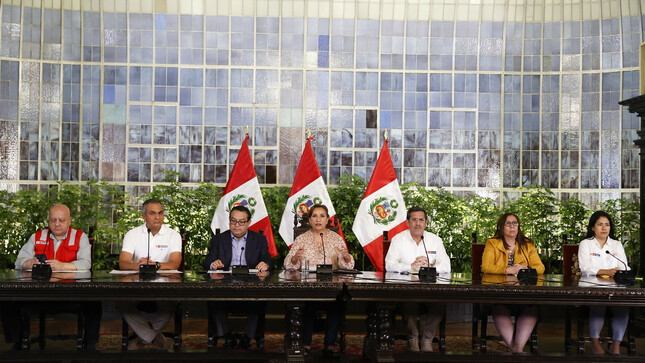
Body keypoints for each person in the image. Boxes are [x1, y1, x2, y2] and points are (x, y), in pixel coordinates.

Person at [1, 204, 101, 351]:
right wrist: (29, 263)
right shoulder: (37, 236)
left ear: (69, 220)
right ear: (48, 220)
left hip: (70, 293)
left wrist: (61, 266)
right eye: (53, 220)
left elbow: (86, 264)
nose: (57, 224)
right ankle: (17, 342)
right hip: (39, 294)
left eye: (61, 220)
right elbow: (19, 262)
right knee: (8, 298)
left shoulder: (80, 237)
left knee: (94, 300)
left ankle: (90, 344)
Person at [283, 204, 354, 358]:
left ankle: (329, 345)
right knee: (307, 306)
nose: (318, 219)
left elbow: (347, 265)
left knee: (338, 305)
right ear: (309, 219)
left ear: (327, 219)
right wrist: (295, 258)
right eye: (315, 216)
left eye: (322, 216)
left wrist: (346, 257)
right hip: (308, 286)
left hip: (332, 286)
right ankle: (306, 344)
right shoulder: (302, 238)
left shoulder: (336, 238)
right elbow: (288, 265)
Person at [203, 205, 272, 349]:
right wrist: (212, 264)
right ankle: (227, 336)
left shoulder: (259, 239)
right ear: (229, 221)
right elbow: (207, 260)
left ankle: (248, 337)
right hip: (224, 286)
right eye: (233, 221)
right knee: (214, 301)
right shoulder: (219, 239)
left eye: (241, 222)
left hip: (251, 286)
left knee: (258, 301)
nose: (236, 225)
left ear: (249, 222)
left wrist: (265, 264)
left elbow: (268, 259)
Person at [117, 198, 182, 351]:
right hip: (137, 287)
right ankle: (153, 336)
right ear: (143, 216)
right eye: (152, 213)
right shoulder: (132, 234)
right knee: (121, 302)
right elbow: (123, 263)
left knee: (172, 302)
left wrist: (156, 265)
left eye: (160, 213)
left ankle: (144, 336)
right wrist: (138, 265)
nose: (157, 217)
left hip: (164, 288)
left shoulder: (173, 235)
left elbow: (174, 264)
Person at [384, 206, 450, 352]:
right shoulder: (398, 240)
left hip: (431, 290)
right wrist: (411, 267)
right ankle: (412, 339)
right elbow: (389, 265)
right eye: (414, 220)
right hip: (408, 289)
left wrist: (430, 267)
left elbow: (446, 266)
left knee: (439, 305)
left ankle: (427, 339)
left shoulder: (435, 240)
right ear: (408, 222)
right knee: (409, 303)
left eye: (421, 220)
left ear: (426, 223)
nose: (418, 223)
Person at [481, 213, 544, 353]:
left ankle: (517, 348)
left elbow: (540, 267)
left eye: (515, 223)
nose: (512, 226)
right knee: (499, 309)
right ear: (500, 227)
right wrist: (507, 269)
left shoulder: (528, 244)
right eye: (508, 223)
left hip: (524, 293)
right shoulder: (492, 243)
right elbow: (486, 266)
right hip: (500, 292)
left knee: (532, 309)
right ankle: (515, 349)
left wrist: (526, 268)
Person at [578, 211, 630, 355]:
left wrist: (617, 272)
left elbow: (625, 266)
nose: (604, 228)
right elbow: (585, 268)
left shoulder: (616, 244)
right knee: (598, 304)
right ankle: (594, 342)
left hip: (615, 287)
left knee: (623, 309)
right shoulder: (586, 244)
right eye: (600, 224)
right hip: (592, 286)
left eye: (607, 225)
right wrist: (605, 271)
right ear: (593, 227)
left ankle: (616, 345)